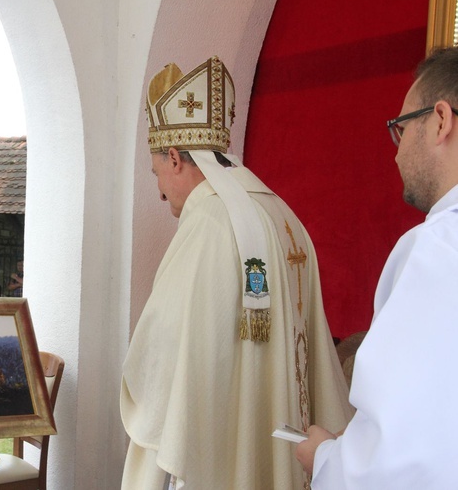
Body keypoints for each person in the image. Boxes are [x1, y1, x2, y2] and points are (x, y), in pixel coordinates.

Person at [120, 57, 353, 489]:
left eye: (157, 174)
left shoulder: (207, 223)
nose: (159, 191)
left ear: (174, 157)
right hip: (290, 452)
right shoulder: (284, 214)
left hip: (224, 459)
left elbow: (164, 352)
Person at [296, 46, 458, 489]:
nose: (396, 153)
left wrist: (326, 458)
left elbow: (394, 458)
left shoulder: (434, 249)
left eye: (401, 129)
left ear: (440, 120)